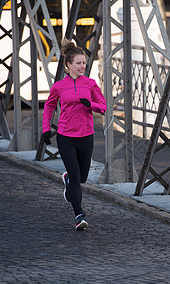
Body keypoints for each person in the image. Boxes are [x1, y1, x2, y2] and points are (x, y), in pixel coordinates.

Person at [41, 39, 106, 230]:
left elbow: (103, 107)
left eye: (84, 63)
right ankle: (79, 216)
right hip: (66, 137)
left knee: (82, 178)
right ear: (68, 65)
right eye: (78, 63)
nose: (82, 66)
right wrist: (46, 128)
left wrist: (90, 105)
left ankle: (68, 179)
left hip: (86, 136)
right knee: (77, 178)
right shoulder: (59, 86)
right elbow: (49, 106)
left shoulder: (91, 84)